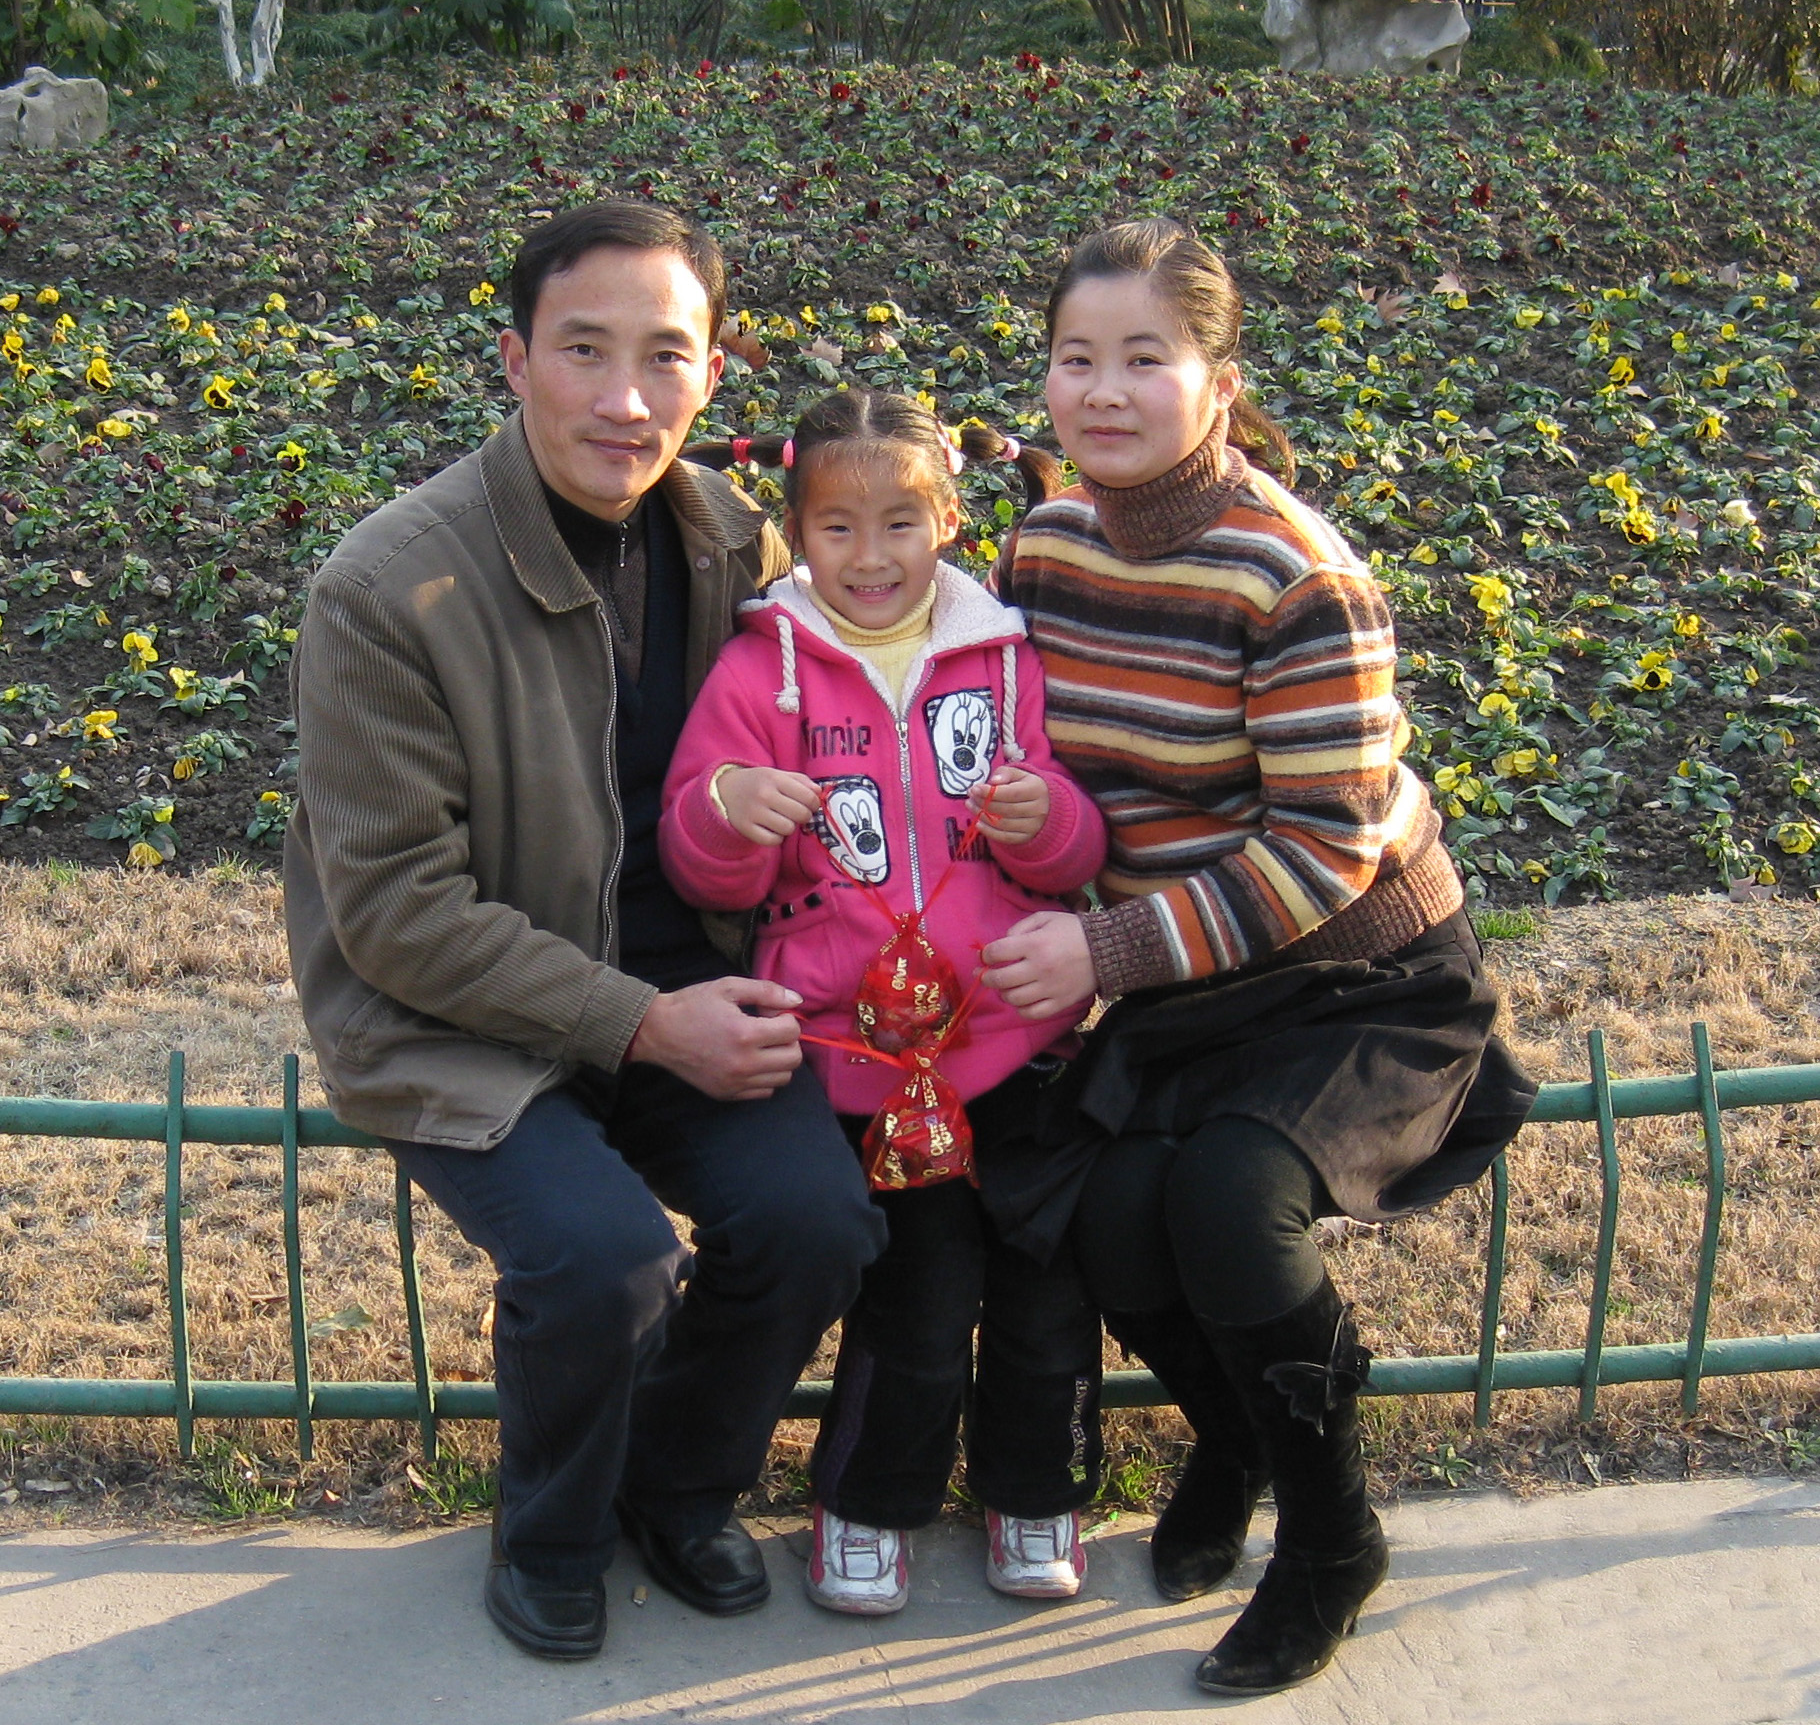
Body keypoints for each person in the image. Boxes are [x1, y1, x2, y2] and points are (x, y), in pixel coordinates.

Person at [284, 201, 885, 1662]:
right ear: (514, 360)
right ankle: (548, 1531)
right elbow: (397, 912)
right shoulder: (388, 586)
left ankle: (674, 1487)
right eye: (583, 350)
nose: (626, 399)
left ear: (713, 373)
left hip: (684, 975)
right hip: (456, 1011)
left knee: (814, 1221)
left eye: (665, 356)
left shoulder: (737, 546)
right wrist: (643, 1025)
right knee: (604, 1259)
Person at [979, 217, 1535, 1697]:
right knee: (1113, 1221)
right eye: (1074, 358)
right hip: (1189, 975)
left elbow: (1324, 851)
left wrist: (1101, 948)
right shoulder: (1041, 547)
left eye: (1143, 359)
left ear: (1218, 382)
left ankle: (1333, 1539)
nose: (1102, 391)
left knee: (1231, 1200)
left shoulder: (1296, 575)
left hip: (1357, 971)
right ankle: (1232, 1442)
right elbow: (1005, 747)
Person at [661, 393, 1110, 1615]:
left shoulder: (1007, 658)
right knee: (916, 1292)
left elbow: (1076, 851)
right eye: (837, 527)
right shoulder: (759, 673)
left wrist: (1049, 821)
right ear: (795, 531)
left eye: (900, 522)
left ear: (949, 520)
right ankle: (867, 1500)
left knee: (1046, 1278)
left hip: (1014, 1035)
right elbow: (704, 872)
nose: (870, 556)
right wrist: (725, 814)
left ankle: (1037, 1487)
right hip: (863, 1055)